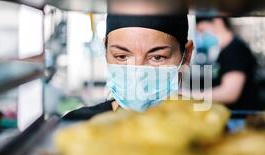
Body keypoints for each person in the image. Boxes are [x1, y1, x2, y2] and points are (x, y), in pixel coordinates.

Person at [64, 14, 193, 120]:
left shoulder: (205, 132)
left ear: (186, 55)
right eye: (121, 56)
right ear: (106, 51)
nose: (138, 76)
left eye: (157, 57)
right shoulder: (77, 126)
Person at [194, 17, 257, 110]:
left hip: (239, 117)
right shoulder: (225, 51)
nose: (201, 36)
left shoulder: (235, 50)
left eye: (202, 30)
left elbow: (230, 93)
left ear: (218, 22)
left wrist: (189, 95)